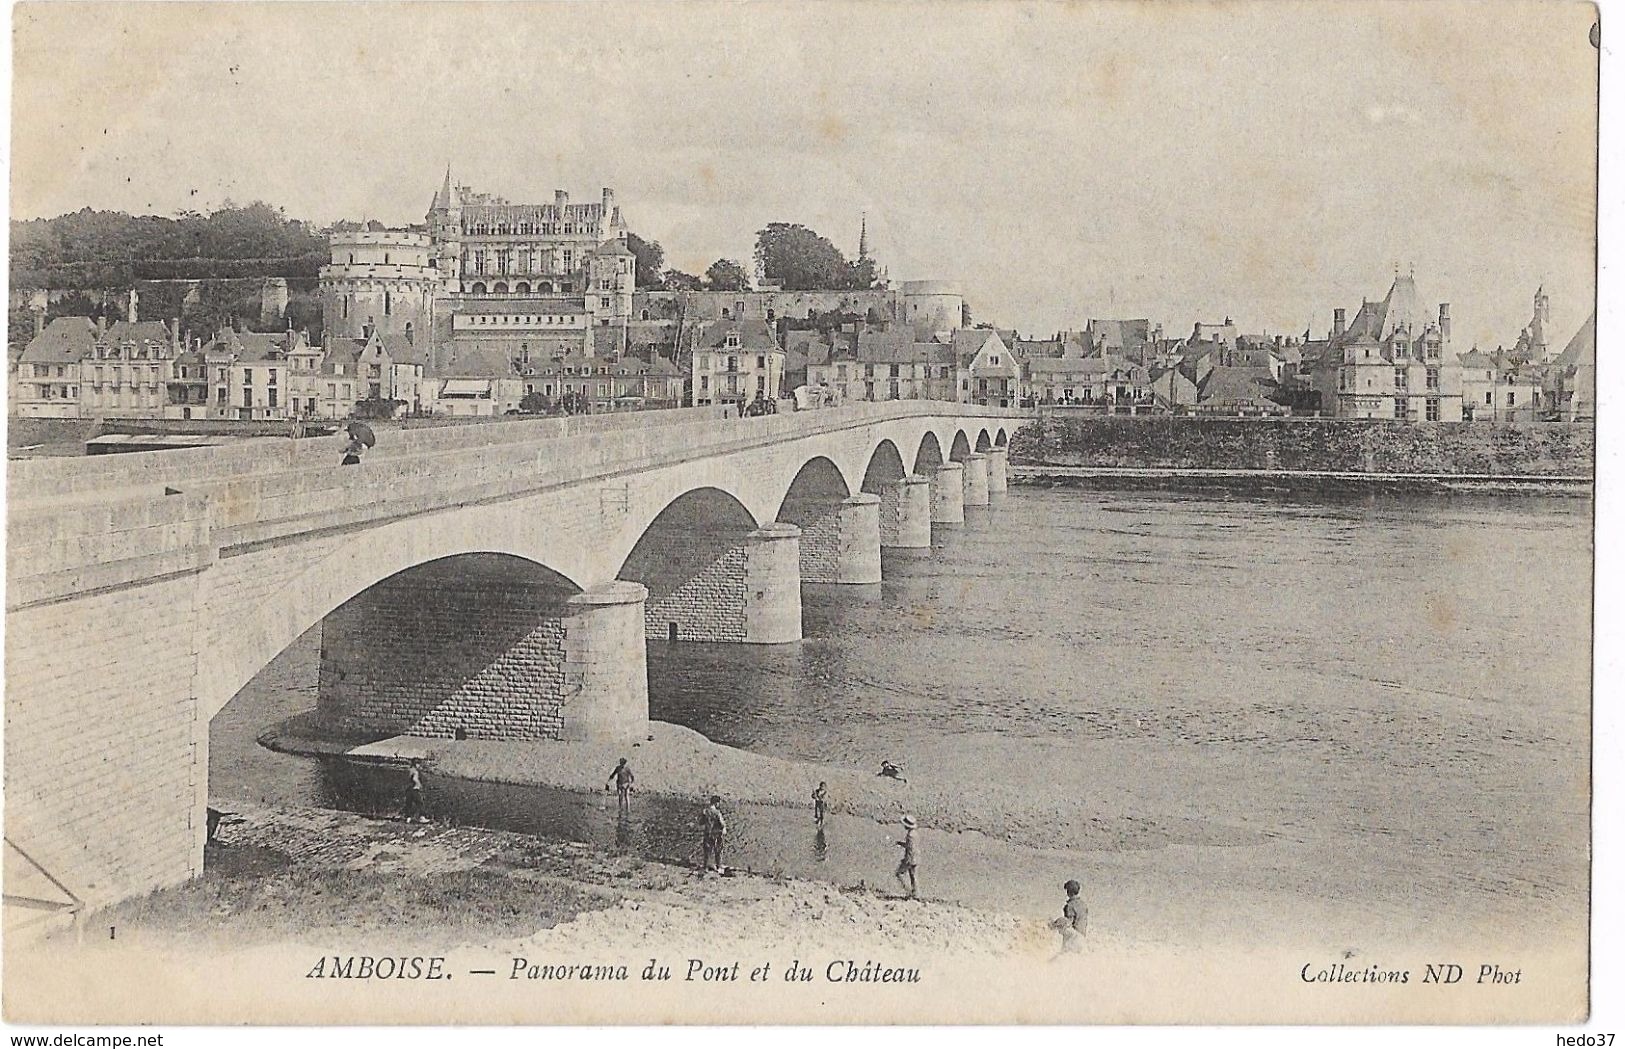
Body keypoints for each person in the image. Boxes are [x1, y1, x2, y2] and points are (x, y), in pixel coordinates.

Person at [1051, 879, 1088, 959]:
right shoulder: (1083, 905)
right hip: (1082, 938)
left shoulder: (1070, 906)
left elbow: (1068, 923)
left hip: (1073, 939)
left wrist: (1055, 924)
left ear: (1069, 892)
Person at [894, 815, 919, 898]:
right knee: (913, 876)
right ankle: (915, 894)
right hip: (916, 857)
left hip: (910, 858)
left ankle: (909, 892)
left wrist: (907, 860)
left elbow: (910, 848)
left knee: (899, 873)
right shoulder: (915, 834)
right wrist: (901, 843)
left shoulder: (910, 835)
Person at [701, 795, 727, 873]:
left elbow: (701, 822)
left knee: (707, 851)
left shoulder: (705, 811)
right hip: (716, 834)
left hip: (707, 833)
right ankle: (719, 866)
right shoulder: (717, 812)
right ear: (716, 803)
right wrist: (724, 829)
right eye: (718, 803)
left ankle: (705, 867)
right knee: (718, 850)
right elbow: (721, 823)